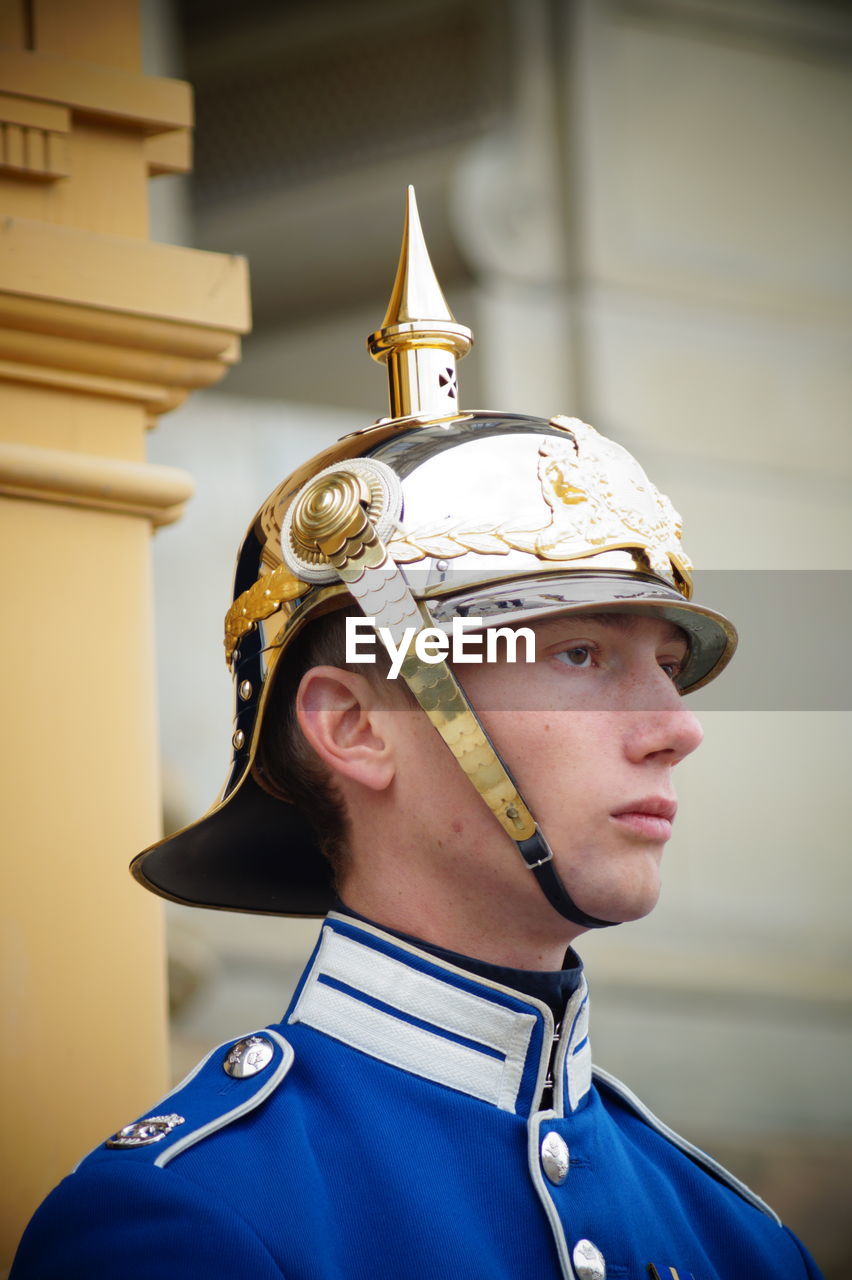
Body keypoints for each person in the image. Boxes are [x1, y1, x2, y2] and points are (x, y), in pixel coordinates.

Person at [11, 189, 822, 1280]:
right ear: (357, 725)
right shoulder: (187, 1225)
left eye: (667, 669)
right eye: (580, 656)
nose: (675, 730)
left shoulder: (743, 1240)